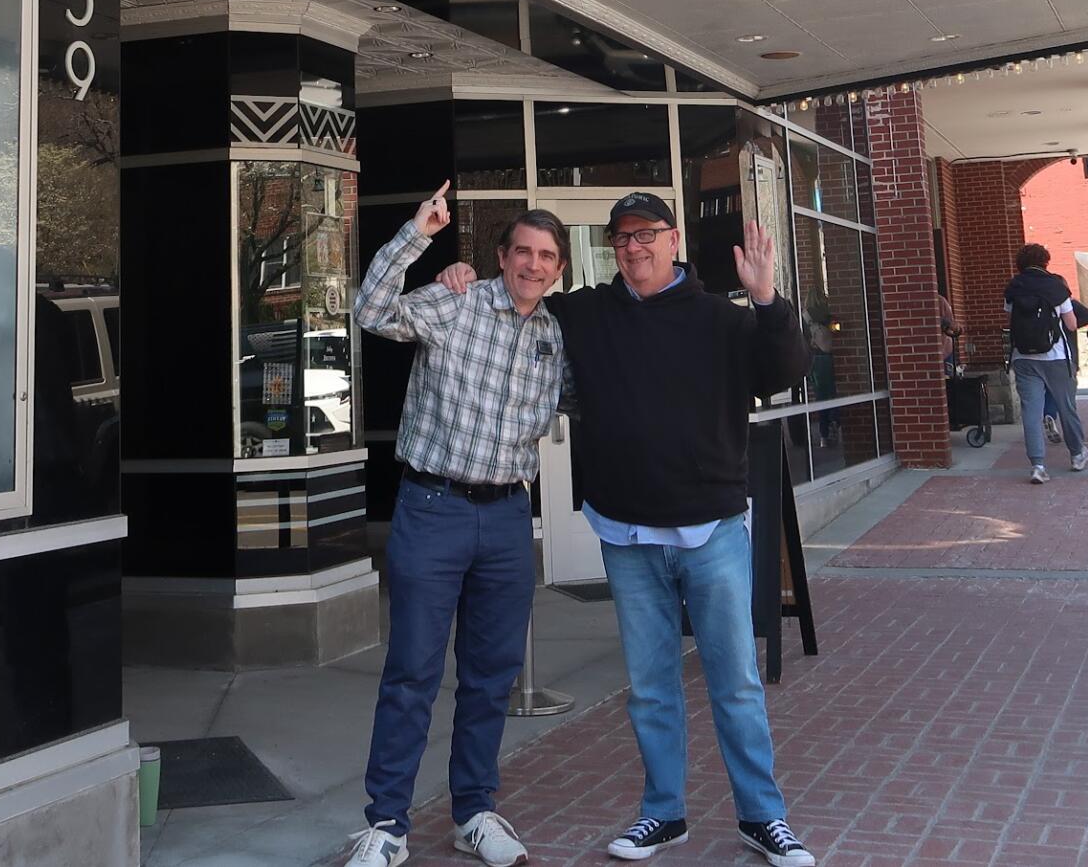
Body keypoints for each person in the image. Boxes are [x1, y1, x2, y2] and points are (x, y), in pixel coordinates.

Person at [542, 192, 816, 867]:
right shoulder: (586, 312)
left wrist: (768, 299)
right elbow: (518, 301)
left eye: (644, 235)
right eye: (620, 238)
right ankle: (662, 814)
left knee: (736, 681)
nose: (632, 248)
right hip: (626, 534)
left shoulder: (721, 319)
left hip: (711, 530)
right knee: (652, 686)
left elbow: (784, 371)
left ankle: (763, 816)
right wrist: (468, 279)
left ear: (672, 238)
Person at [340, 183, 571, 867]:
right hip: (433, 508)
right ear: (502, 256)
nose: (533, 264)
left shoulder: (554, 337)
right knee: (411, 669)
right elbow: (370, 309)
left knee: (491, 673)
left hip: (505, 516)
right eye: (523, 251)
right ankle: (386, 823)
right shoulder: (457, 299)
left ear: (559, 268)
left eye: (547, 256)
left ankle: (474, 810)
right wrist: (421, 235)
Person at [1005, 243, 1088, 483]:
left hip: (1023, 358)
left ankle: (1038, 466)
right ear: (1045, 261)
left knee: (1031, 413)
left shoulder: (1014, 287)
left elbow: (1011, 316)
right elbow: (1072, 324)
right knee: (1066, 407)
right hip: (1055, 356)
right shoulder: (1055, 286)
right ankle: (1077, 454)